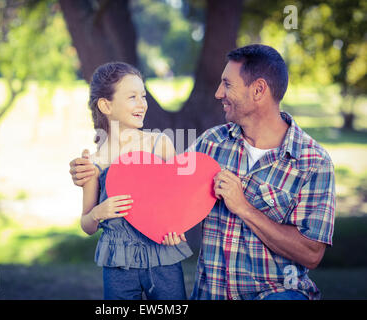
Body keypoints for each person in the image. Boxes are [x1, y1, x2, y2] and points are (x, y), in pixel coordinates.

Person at [70, 45, 335, 300]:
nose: (218, 93)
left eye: (227, 84)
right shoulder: (211, 144)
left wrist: (243, 207)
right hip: (213, 292)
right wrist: (89, 177)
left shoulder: (312, 162)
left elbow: (311, 254)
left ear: (258, 90)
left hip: (277, 292)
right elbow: (171, 186)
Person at [78, 62, 192, 300]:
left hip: (163, 254)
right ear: (106, 105)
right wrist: (99, 212)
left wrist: (176, 227)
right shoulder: (95, 161)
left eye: (143, 96)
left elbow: (179, 199)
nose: (142, 103)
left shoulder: (159, 144)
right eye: (132, 97)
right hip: (118, 262)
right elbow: (87, 225)